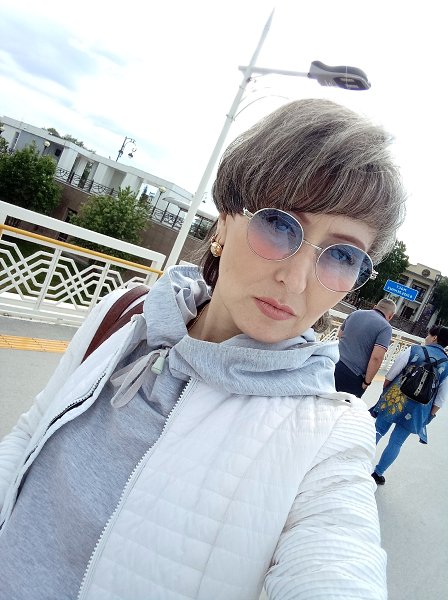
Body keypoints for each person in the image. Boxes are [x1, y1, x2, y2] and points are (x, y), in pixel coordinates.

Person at [0, 98, 405, 600]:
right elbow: (30, 434)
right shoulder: (124, 315)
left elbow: (338, 563)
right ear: (225, 221)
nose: (297, 279)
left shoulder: (327, 434)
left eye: (342, 255)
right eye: (281, 224)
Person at [370, 325, 448, 485]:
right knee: (396, 443)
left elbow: (392, 373)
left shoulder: (415, 350)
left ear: (434, 337)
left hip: (396, 398)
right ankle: (377, 474)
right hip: (419, 409)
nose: (426, 337)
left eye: (428, 335)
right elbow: (441, 397)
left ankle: (358, 463)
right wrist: (430, 415)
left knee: (377, 431)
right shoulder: (447, 365)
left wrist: (386, 392)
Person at [334, 299, 397, 397]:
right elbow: (376, 358)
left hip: (333, 362)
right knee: (341, 405)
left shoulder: (356, 313)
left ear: (375, 306)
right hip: (352, 375)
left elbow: (340, 334)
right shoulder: (385, 327)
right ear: (391, 315)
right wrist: (367, 382)